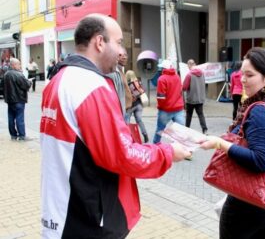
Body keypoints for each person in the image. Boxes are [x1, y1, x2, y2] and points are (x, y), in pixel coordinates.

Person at [39, 14, 191, 239]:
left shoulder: (58, 80)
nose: (122, 51)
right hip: (86, 217)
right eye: (118, 42)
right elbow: (123, 155)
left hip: (61, 211)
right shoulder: (90, 86)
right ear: (99, 42)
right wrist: (168, 153)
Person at [200, 47, 265, 239]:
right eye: (242, 73)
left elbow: (261, 161)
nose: (242, 80)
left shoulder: (260, 111)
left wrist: (221, 144)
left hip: (252, 204)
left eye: (249, 75)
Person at [153, 62, 185, 144]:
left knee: (160, 129)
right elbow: (180, 91)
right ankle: (183, 149)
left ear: (163, 69)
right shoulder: (177, 77)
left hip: (165, 110)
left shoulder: (161, 79)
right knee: (181, 131)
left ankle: (156, 146)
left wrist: (161, 107)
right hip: (178, 109)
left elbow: (160, 98)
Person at [3, 58, 32, 141]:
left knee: (11, 117)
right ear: (14, 65)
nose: (20, 66)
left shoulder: (6, 74)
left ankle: (13, 135)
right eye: (19, 64)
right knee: (19, 118)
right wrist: (29, 82)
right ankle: (22, 135)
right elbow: (26, 85)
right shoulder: (18, 74)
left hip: (10, 100)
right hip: (19, 99)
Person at [183, 59, 208, 134]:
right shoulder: (202, 73)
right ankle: (204, 129)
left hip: (191, 99)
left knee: (189, 115)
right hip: (200, 98)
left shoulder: (189, 75)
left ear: (189, 65)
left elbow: (184, 87)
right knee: (201, 114)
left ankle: (187, 129)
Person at [125, 70, 149, 143]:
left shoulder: (128, 84)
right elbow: (142, 90)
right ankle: (145, 135)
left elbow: (128, 95)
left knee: (127, 121)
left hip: (130, 106)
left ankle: (127, 137)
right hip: (139, 105)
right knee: (139, 120)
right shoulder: (138, 82)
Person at [108, 48, 133, 118]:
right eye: (120, 55)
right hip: (120, 111)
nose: (124, 57)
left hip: (126, 109)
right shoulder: (113, 72)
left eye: (125, 55)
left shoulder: (121, 70)